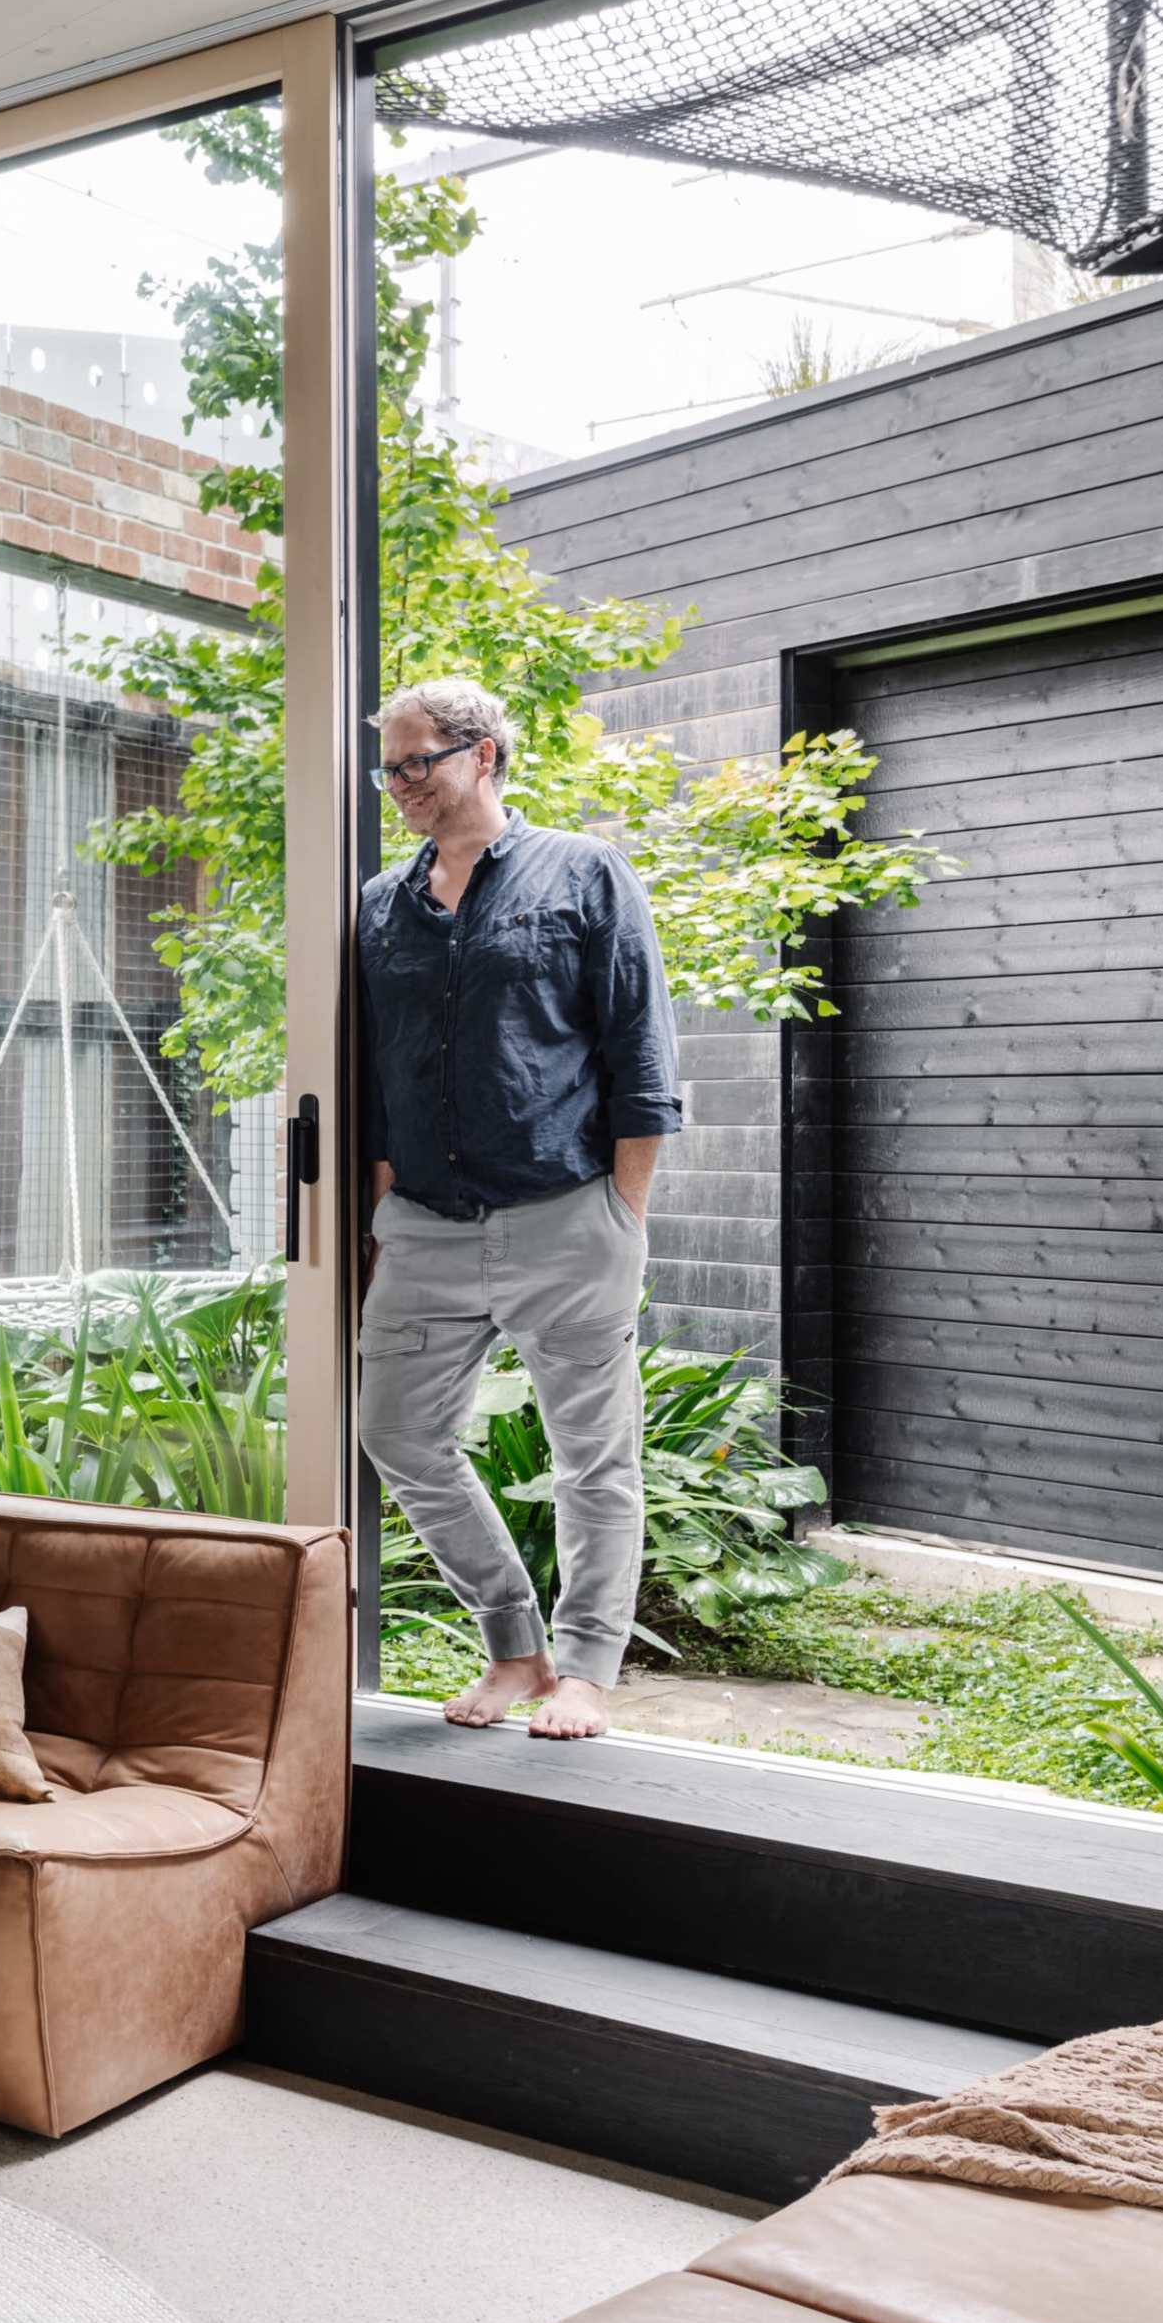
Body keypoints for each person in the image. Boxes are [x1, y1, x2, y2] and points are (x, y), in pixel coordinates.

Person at [352, 678, 682, 1742]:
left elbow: (639, 1048)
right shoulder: (376, 904)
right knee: (398, 1436)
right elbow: (366, 1066)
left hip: (567, 1212)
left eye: (418, 763)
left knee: (593, 1454)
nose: (399, 784)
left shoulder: (583, 873)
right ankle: (515, 1647)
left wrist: (623, 1205)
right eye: (389, 766)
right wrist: (380, 1191)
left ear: (483, 755)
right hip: (426, 1225)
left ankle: (585, 1669)